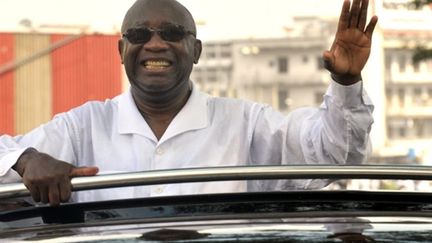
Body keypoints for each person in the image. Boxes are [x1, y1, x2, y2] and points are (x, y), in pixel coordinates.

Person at [0, 0, 378, 206]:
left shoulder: (245, 124)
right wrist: (26, 159)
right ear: (121, 50)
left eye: (172, 33)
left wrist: (345, 82)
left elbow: (332, 158)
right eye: (139, 34)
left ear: (195, 50)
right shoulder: (84, 125)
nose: (155, 44)